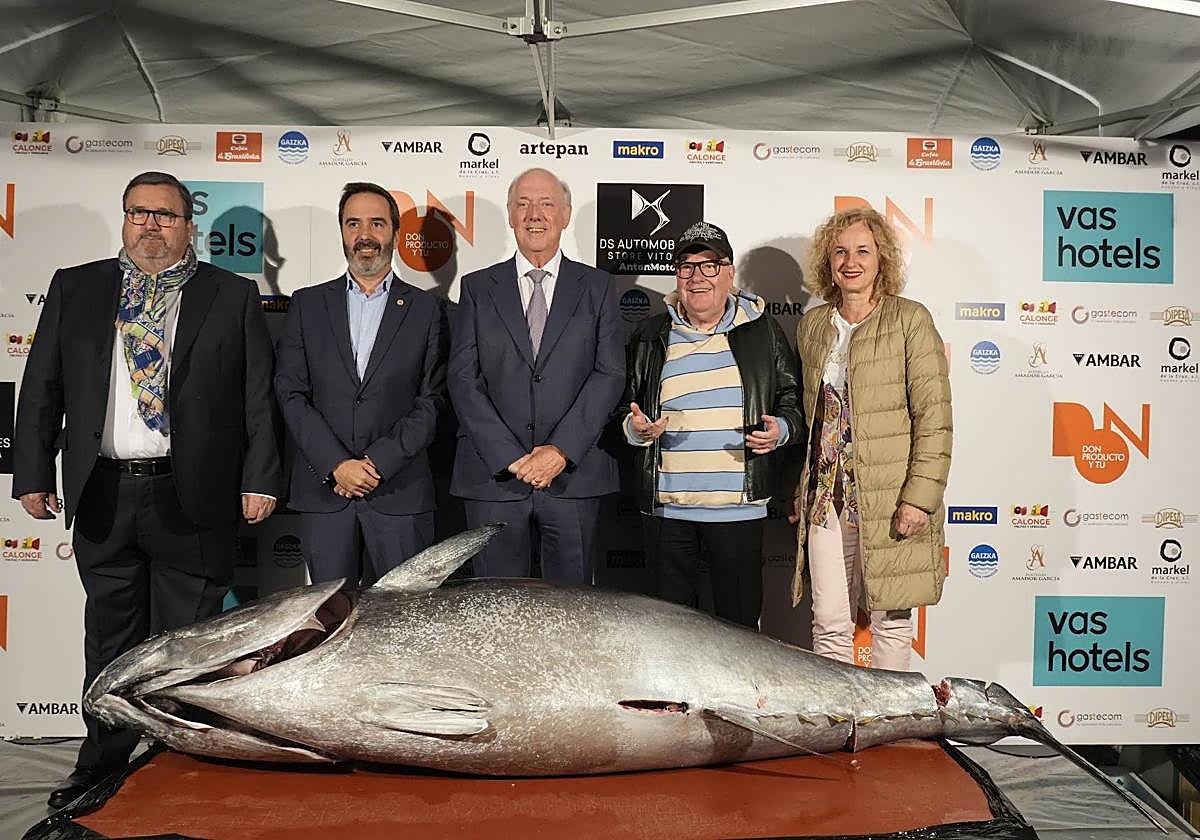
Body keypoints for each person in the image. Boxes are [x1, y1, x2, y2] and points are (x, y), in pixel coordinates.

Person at [12, 171, 282, 807]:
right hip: (103, 493)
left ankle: (179, 764)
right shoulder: (76, 288)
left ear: (189, 226)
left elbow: (256, 400)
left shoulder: (231, 294)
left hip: (193, 496)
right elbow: (42, 383)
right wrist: (31, 473)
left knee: (186, 645)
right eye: (140, 213)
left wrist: (260, 479)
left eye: (166, 215)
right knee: (110, 640)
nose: (151, 226)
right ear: (124, 218)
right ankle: (101, 763)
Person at [789, 206, 951, 671]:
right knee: (829, 623)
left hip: (890, 495)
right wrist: (799, 488)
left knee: (891, 621)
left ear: (882, 258)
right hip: (826, 497)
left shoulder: (909, 320)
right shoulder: (814, 326)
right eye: (840, 251)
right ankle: (839, 723)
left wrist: (920, 498)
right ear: (827, 261)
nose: (850, 261)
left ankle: (889, 724)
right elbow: (809, 415)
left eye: (863, 250)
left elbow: (934, 418)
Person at [618, 222, 804, 628]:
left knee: (738, 628)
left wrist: (781, 432)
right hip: (668, 510)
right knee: (669, 631)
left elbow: (793, 402)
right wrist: (637, 431)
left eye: (709, 265)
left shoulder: (762, 331)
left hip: (737, 511)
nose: (697, 276)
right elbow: (623, 412)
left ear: (729, 274)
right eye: (686, 266)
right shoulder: (650, 335)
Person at [449, 167, 624, 583]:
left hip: (572, 478)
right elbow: (461, 377)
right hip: (494, 479)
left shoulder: (598, 287)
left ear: (564, 216)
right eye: (523, 204)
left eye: (547, 204)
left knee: (571, 611)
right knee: (497, 608)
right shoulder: (476, 288)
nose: (535, 214)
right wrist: (509, 456)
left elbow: (610, 373)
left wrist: (558, 452)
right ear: (510, 215)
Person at [275, 182, 447, 585]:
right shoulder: (307, 304)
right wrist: (337, 464)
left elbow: (433, 400)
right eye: (353, 224)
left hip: (399, 493)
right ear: (341, 231)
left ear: (395, 232)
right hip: (325, 493)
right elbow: (291, 392)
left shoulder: (427, 309)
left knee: (403, 624)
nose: (365, 235)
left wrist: (374, 465)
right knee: (329, 622)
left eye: (376, 223)